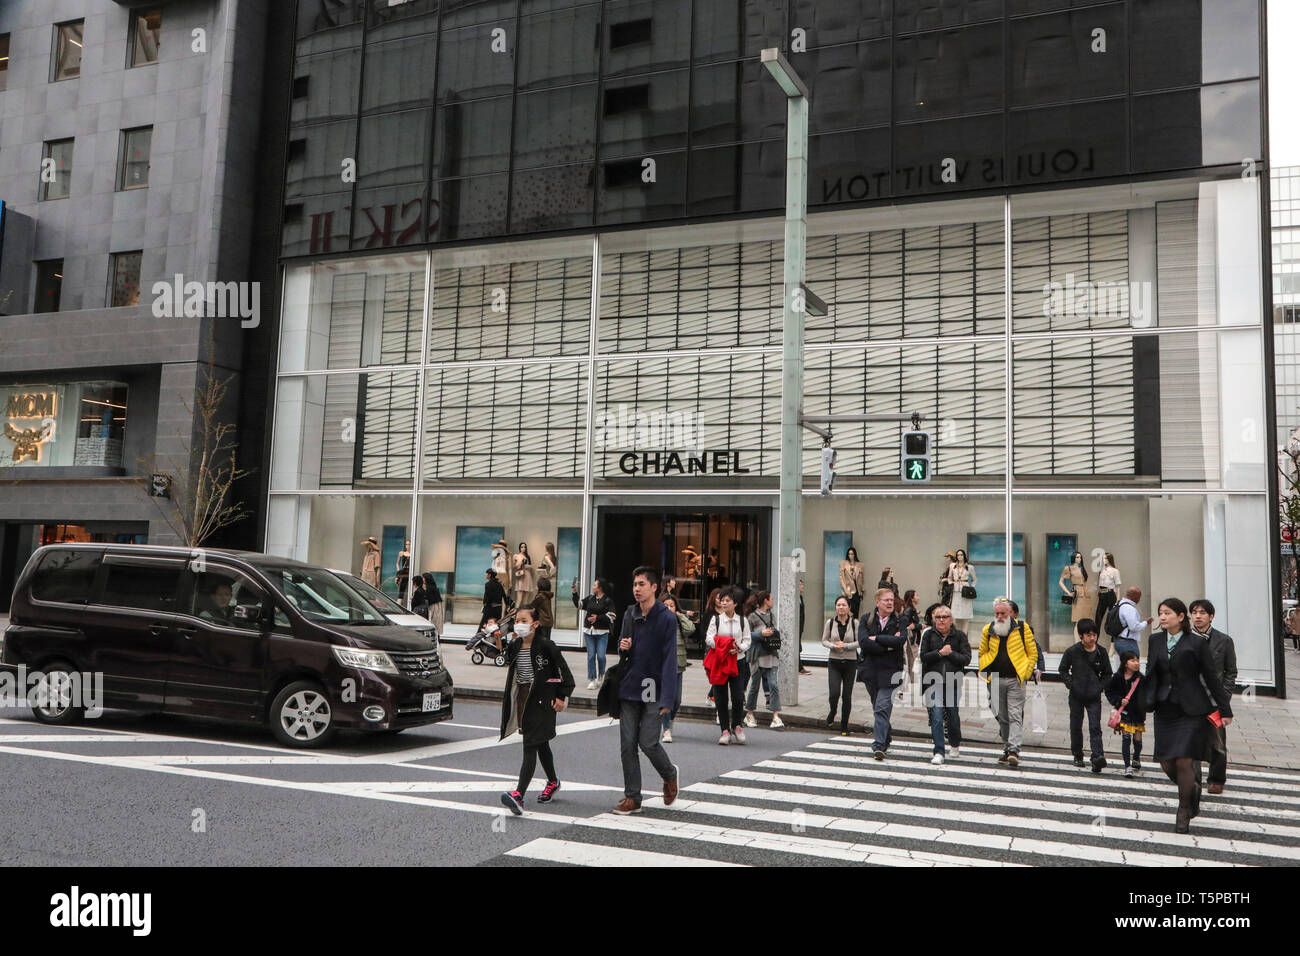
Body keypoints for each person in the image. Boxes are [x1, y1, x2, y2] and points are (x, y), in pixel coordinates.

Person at [1143, 597, 1234, 833]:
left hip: (1192, 710)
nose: (1162, 617)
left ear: (1180, 617)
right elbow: (1151, 674)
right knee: (1166, 761)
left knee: (1184, 759)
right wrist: (1141, 703)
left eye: (1167, 613)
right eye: (1160, 613)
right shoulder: (1155, 641)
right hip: (1165, 709)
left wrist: (1224, 708)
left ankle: (1183, 810)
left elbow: (1212, 678)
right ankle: (1192, 789)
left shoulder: (1196, 643)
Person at [613, 566, 680, 815]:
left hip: (652, 686)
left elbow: (670, 660)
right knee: (627, 744)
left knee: (648, 742)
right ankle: (633, 797)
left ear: (654, 587)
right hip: (630, 684)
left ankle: (669, 774)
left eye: (641, 584)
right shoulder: (629, 614)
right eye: (634, 585)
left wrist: (668, 698)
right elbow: (622, 650)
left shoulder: (666, 618)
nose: (637, 589)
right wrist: (623, 646)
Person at [498, 605, 575, 814]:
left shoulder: (547, 646)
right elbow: (503, 660)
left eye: (523, 620)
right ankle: (553, 781)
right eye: (517, 620)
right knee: (540, 742)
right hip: (524, 698)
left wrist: (561, 696)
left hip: (543, 699)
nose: (519, 624)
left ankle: (518, 795)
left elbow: (565, 674)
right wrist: (497, 637)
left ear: (535, 624)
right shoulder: (515, 645)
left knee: (530, 744)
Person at [979, 597, 1037, 767]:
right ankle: (1007, 748)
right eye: (997, 613)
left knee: (1014, 715)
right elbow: (982, 652)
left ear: (1010, 614)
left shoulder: (1022, 628)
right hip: (995, 679)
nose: (1000, 616)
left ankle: (1014, 750)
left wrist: (1026, 672)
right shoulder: (988, 629)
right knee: (1002, 716)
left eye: (1003, 613)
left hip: (1015, 680)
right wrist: (985, 669)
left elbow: (1032, 652)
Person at [1190, 599, 1237, 794]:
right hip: (1190, 699)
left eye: (1202, 612)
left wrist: (1223, 696)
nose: (1198, 616)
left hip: (1214, 700)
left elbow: (1231, 671)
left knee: (1217, 743)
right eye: (1194, 612)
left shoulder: (1224, 641)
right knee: (1190, 742)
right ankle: (1193, 780)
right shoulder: (1183, 639)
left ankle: (1217, 779)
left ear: (1211, 616)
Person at [857, 587, 906, 760]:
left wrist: (876, 639)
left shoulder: (900, 619)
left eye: (892, 600)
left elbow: (900, 641)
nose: (890, 603)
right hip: (870, 671)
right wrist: (887, 646)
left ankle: (878, 745)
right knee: (877, 707)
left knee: (881, 707)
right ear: (877, 602)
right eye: (886, 600)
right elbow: (863, 642)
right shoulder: (866, 619)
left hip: (891, 672)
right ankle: (886, 737)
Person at [1058, 618, 1113, 772]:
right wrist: (1071, 684)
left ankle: (1097, 756)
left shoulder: (1101, 652)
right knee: (1076, 725)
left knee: (1095, 726)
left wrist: (1099, 687)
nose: (1092, 638)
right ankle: (1077, 754)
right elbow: (1062, 669)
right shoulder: (1072, 651)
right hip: (1076, 695)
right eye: (1088, 635)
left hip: (1094, 696)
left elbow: (1108, 673)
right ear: (1081, 636)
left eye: (1094, 634)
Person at [918, 605, 970, 765]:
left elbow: (966, 658)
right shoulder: (929, 635)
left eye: (945, 617)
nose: (941, 620)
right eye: (938, 617)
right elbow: (923, 656)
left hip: (952, 683)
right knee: (937, 716)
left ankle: (954, 743)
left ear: (951, 620)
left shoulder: (959, 636)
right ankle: (939, 751)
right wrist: (940, 653)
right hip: (933, 683)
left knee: (953, 716)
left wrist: (951, 653)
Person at [706, 586, 751, 745]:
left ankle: (737, 725)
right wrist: (724, 646)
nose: (724, 603)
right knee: (721, 697)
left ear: (735, 603)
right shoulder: (716, 619)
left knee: (738, 696)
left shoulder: (742, 620)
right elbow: (709, 639)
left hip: (738, 660)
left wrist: (740, 647)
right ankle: (724, 730)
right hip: (721, 661)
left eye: (727, 600)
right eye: (722, 600)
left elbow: (747, 640)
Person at [743, 590, 784, 729]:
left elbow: (775, 629)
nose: (772, 601)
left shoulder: (772, 615)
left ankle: (776, 716)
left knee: (773, 684)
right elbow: (746, 635)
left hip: (771, 653)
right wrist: (761, 634)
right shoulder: (752, 616)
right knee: (755, 685)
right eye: (771, 598)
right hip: (757, 655)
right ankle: (749, 713)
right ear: (765, 600)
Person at [821, 596, 859, 735]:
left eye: (843, 605)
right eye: (838, 605)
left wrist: (846, 645)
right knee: (834, 693)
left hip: (850, 662)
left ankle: (844, 726)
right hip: (834, 661)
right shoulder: (830, 623)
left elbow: (860, 641)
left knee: (847, 696)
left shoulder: (855, 623)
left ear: (848, 607)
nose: (841, 607)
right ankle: (832, 711)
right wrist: (832, 646)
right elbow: (824, 640)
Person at [1106, 648, 1147, 778]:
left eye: (1137, 661)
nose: (1136, 663)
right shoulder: (1117, 677)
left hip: (1138, 714)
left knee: (1138, 740)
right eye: (1132, 660)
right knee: (1126, 738)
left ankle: (1136, 757)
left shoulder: (1141, 678)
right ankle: (1127, 766)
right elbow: (1109, 691)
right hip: (1124, 713)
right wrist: (1119, 701)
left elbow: (1146, 695)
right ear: (1125, 663)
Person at [661, 595, 695, 743]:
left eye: (672, 605)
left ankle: (671, 719)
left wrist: (680, 615)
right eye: (666, 605)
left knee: (677, 700)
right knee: (666, 698)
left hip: (678, 663)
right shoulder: (658, 621)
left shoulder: (678, 621)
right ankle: (666, 728)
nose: (669, 608)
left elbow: (691, 629)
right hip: (662, 665)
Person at [572, 577, 615, 689]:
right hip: (588, 631)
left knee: (601, 656)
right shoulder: (590, 598)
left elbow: (612, 616)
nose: (593, 587)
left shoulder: (607, 601)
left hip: (602, 632)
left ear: (600, 588)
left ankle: (601, 676)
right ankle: (592, 679)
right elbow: (579, 605)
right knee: (591, 656)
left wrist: (598, 618)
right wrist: (574, 592)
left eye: (595, 585)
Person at [1113, 586, 1151, 659]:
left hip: (1118, 641)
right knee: (1133, 667)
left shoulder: (1118, 604)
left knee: (1123, 667)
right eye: (1139, 597)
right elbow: (1133, 627)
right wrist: (1146, 622)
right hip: (1128, 643)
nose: (1139, 600)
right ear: (1134, 596)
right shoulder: (1129, 608)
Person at [947, 549, 976, 633]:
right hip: (955, 591)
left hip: (965, 592)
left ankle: (964, 637)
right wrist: (951, 584)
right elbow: (949, 577)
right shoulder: (952, 566)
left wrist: (971, 587)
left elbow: (974, 579)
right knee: (954, 614)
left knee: (966, 615)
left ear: (964, 556)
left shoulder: (970, 567)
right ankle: (954, 635)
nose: (960, 556)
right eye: (958, 555)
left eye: (961, 555)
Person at [899, 589, 922, 688]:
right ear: (912, 598)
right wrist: (918, 626)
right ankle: (912, 683)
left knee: (913, 660)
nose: (918, 597)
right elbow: (907, 623)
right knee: (912, 660)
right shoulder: (909, 610)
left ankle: (913, 682)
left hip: (913, 638)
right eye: (916, 595)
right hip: (910, 638)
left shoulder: (911, 609)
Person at [1096, 552, 1122, 632]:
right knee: (1098, 618)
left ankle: (1112, 642)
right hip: (1102, 595)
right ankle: (1095, 640)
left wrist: (1117, 600)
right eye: (1103, 558)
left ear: (1110, 559)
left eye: (1105, 558)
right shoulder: (1102, 571)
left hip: (1110, 594)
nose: (1104, 560)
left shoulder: (1115, 571)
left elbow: (1118, 586)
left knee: (1112, 618)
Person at [839, 548, 866, 618]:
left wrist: (862, 590)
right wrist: (845, 590)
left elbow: (862, 579)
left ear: (854, 555)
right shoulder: (843, 564)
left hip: (857, 591)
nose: (850, 555)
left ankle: (855, 626)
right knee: (848, 611)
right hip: (848, 591)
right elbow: (842, 578)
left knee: (856, 612)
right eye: (849, 554)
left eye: (852, 554)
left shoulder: (860, 565)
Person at [531, 577, 555, 642]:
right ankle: (547, 651)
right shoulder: (547, 595)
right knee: (547, 639)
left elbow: (532, 606)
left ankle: (543, 651)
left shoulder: (540, 596)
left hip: (542, 621)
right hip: (548, 621)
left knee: (541, 641)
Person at [798, 579, 811, 675]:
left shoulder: (800, 598)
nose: (802, 587)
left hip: (800, 626)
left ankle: (799, 667)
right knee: (797, 647)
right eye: (801, 585)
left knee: (798, 646)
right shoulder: (794, 598)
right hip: (796, 627)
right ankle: (799, 667)